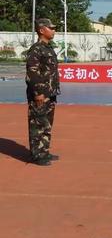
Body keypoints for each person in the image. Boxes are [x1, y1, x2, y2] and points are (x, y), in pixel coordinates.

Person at [26, 18, 61, 166]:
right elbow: (32, 73)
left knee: (47, 124)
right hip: (40, 94)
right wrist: (38, 93)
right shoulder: (36, 49)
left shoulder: (48, 48)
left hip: (50, 93)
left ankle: (44, 151)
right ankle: (37, 155)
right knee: (38, 125)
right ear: (42, 30)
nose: (53, 30)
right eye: (51, 28)